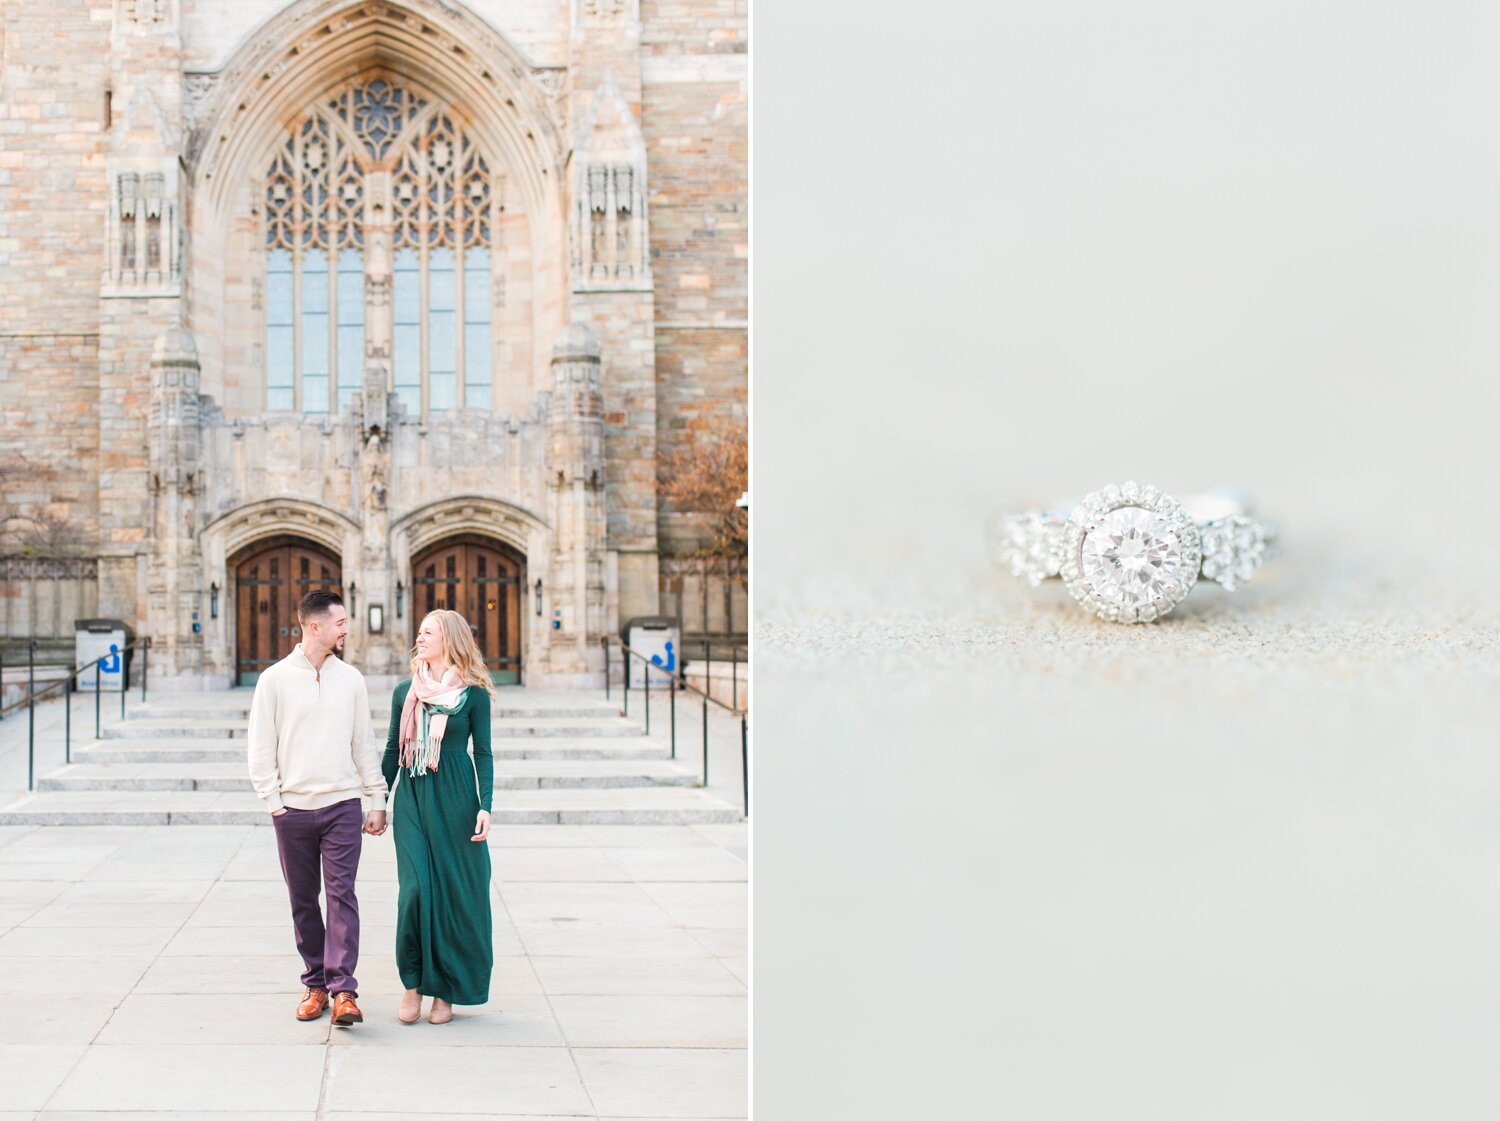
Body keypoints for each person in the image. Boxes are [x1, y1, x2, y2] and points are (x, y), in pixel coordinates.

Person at [247, 589, 388, 1027]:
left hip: (343, 804)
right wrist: (274, 803)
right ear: (315, 626)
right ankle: (315, 984)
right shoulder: (273, 680)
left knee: (342, 895)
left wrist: (376, 798)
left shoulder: (352, 679)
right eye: (340, 622)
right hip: (292, 810)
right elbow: (259, 747)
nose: (346, 629)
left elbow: (364, 743)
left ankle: (344, 990)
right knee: (303, 900)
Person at [383, 608, 496, 1024]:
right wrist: (378, 799)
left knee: (451, 894)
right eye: (419, 632)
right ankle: (412, 985)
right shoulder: (404, 692)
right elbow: (394, 749)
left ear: (449, 638)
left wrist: (486, 805)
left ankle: (444, 991)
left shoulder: (474, 694)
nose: (420, 638)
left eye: (428, 632)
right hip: (413, 797)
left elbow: (482, 752)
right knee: (414, 892)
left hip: (456, 800)